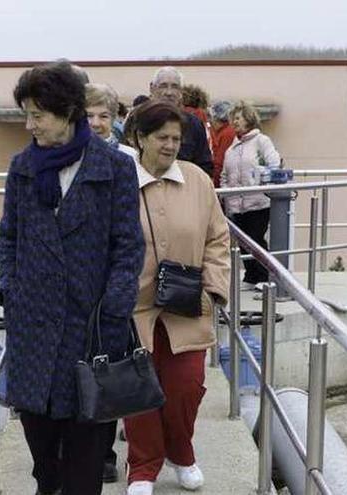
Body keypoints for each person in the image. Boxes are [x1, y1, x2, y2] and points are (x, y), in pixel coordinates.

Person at [0, 61, 145, 495]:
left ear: (67, 112)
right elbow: (9, 236)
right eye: (27, 114)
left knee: (84, 470)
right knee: (45, 467)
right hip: (34, 333)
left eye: (37, 115)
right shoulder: (23, 167)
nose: (29, 124)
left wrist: (115, 309)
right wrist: (11, 288)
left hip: (92, 332)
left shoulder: (113, 168)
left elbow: (128, 246)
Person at [122, 101, 231, 495]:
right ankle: (143, 467)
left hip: (187, 302)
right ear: (139, 138)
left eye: (176, 138)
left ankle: (181, 453)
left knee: (187, 386)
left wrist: (214, 285)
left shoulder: (198, 180)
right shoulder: (120, 180)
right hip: (133, 307)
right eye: (161, 137)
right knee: (138, 391)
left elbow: (218, 237)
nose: (170, 146)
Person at [84, 81, 138, 483]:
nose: (98, 123)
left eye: (105, 115)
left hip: (112, 280)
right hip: (74, 284)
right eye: (89, 115)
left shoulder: (126, 160)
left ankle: (103, 452)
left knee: (107, 369)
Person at [220, 100, 281, 289]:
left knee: (256, 238)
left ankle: (265, 275)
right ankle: (251, 276)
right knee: (243, 242)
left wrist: (261, 179)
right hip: (236, 204)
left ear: (248, 119)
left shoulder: (261, 140)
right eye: (233, 119)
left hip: (258, 202)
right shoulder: (232, 148)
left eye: (238, 118)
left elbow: (274, 162)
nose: (235, 122)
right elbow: (224, 174)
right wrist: (225, 194)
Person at [148, 67, 214, 177]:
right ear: (152, 88)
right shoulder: (137, 120)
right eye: (163, 86)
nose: (169, 92)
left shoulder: (194, 125)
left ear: (181, 92)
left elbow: (205, 166)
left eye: (175, 87)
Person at [209, 100, 236, 188]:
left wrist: (214, 185)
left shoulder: (227, 133)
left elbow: (220, 162)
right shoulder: (220, 132)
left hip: (221, 181)